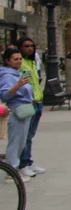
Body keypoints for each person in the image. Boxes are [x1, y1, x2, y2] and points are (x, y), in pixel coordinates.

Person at [0, 47, 33, 181]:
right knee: (15, 142)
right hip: (16, 110)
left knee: (21, 142)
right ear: (7, 61)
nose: (19, 61)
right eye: (15, 59)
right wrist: (18, 85)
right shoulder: (7, 75)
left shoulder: (17, 73)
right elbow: (5, 95)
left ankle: (15, 169)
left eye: (20, 59)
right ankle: (11, 172)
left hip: (24, 110)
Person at [16, 38, 43, 177]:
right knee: (25, 135)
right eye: (26, 46)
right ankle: (23, 163)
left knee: (30, 135)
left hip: (38, 101)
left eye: (32, 46)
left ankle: (29, 160)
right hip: (30, 102)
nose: (30, 48)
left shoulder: (32, 62)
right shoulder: (21, 63)